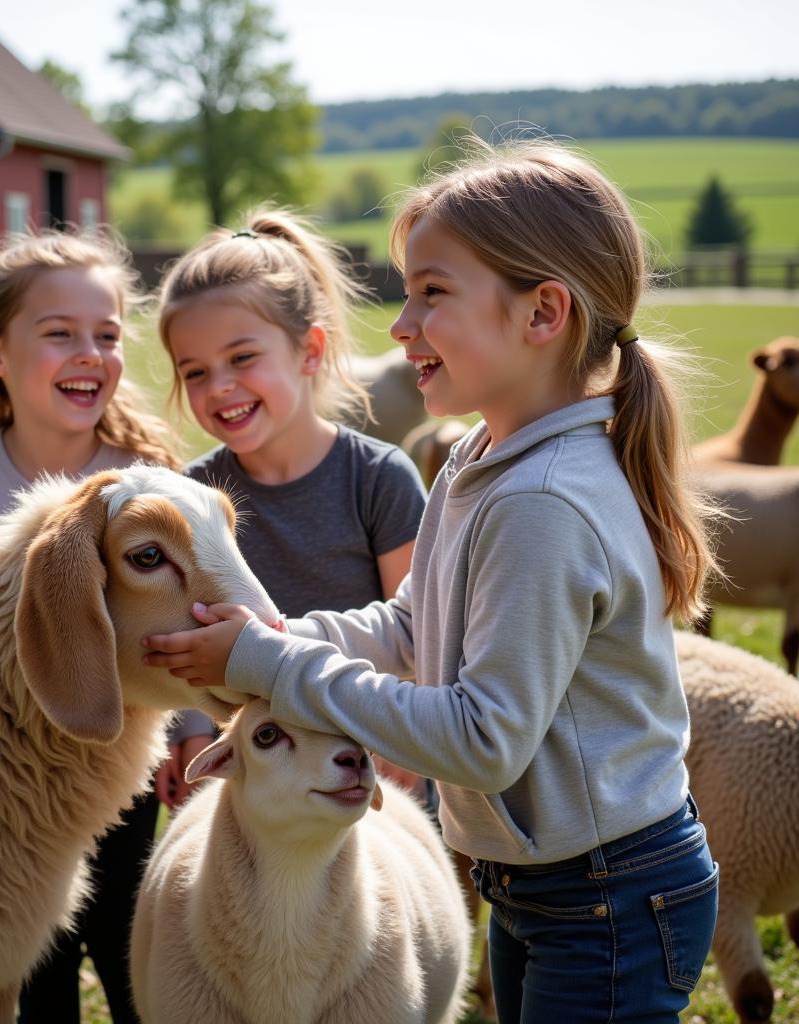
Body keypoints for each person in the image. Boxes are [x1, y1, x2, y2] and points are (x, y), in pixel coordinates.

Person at [141, 141, 723, 1023]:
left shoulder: (543, 503)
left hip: (609, 896)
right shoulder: (480, 461)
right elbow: (416, 629)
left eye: (433, 293)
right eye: (407, 292)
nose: (402, 324)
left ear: (543, 313)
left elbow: (484, 740)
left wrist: (273, 664)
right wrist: (273, 635)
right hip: (543, 878)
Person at [0, 229, 208, 1024]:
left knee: (125, 932)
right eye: (60, 333)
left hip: (114, 762)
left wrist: (190, 730)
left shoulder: (146, 481)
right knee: (27, 955)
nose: (91, 354)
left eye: (106, 335)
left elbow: (189, 616)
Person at [155, 209, 428, 792]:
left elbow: (418, 638)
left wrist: (406, 737)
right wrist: (193, 731)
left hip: (368, 766)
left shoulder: (380, 479)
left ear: (309, 351)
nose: (219, 386)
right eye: (195, 372)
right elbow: (181, 636)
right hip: (258, 783)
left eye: (242, 358)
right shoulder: (192, 496)